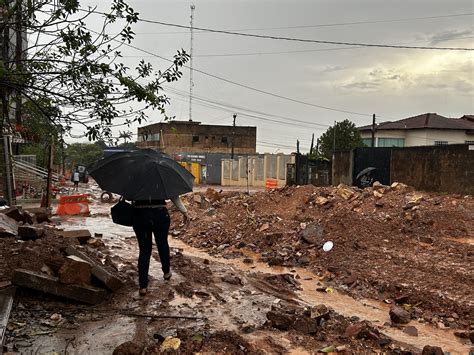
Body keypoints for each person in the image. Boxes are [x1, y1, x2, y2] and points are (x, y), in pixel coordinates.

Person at [132, 196, 189, 296]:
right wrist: (184, 211)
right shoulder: (162, 180)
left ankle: (143, 286)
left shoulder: (134, 180)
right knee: (162, 244)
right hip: (160, 214)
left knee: (144, 251)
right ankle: (166, 273)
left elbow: (128, 196)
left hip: (140, 215)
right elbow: (173, 195)